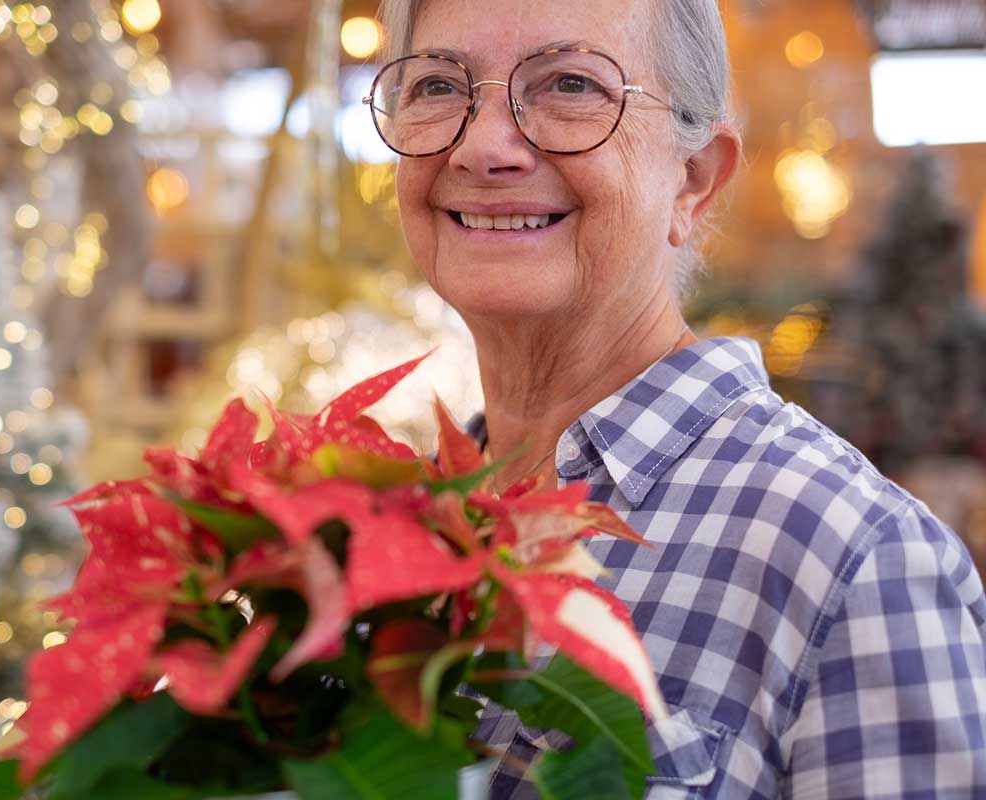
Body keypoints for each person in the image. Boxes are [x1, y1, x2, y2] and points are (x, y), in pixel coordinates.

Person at [368, 0, 986, 797]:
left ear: (693, 178)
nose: (484, 147)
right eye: (437, 87)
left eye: (569, 84)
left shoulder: (852, 561)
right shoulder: (383, 527)